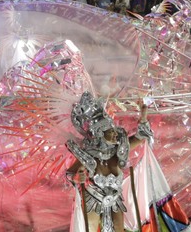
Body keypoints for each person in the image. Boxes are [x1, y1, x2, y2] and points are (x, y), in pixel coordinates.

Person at [64, 92, 151, 232]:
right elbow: (70, 174)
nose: (115, 134)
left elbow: (141, 137)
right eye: (111, 131)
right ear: (99, 132)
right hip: (92, 200)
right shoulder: (89, 155)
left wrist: (144, 116)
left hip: (115, 201)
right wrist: (75, 177)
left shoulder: (119, 150)